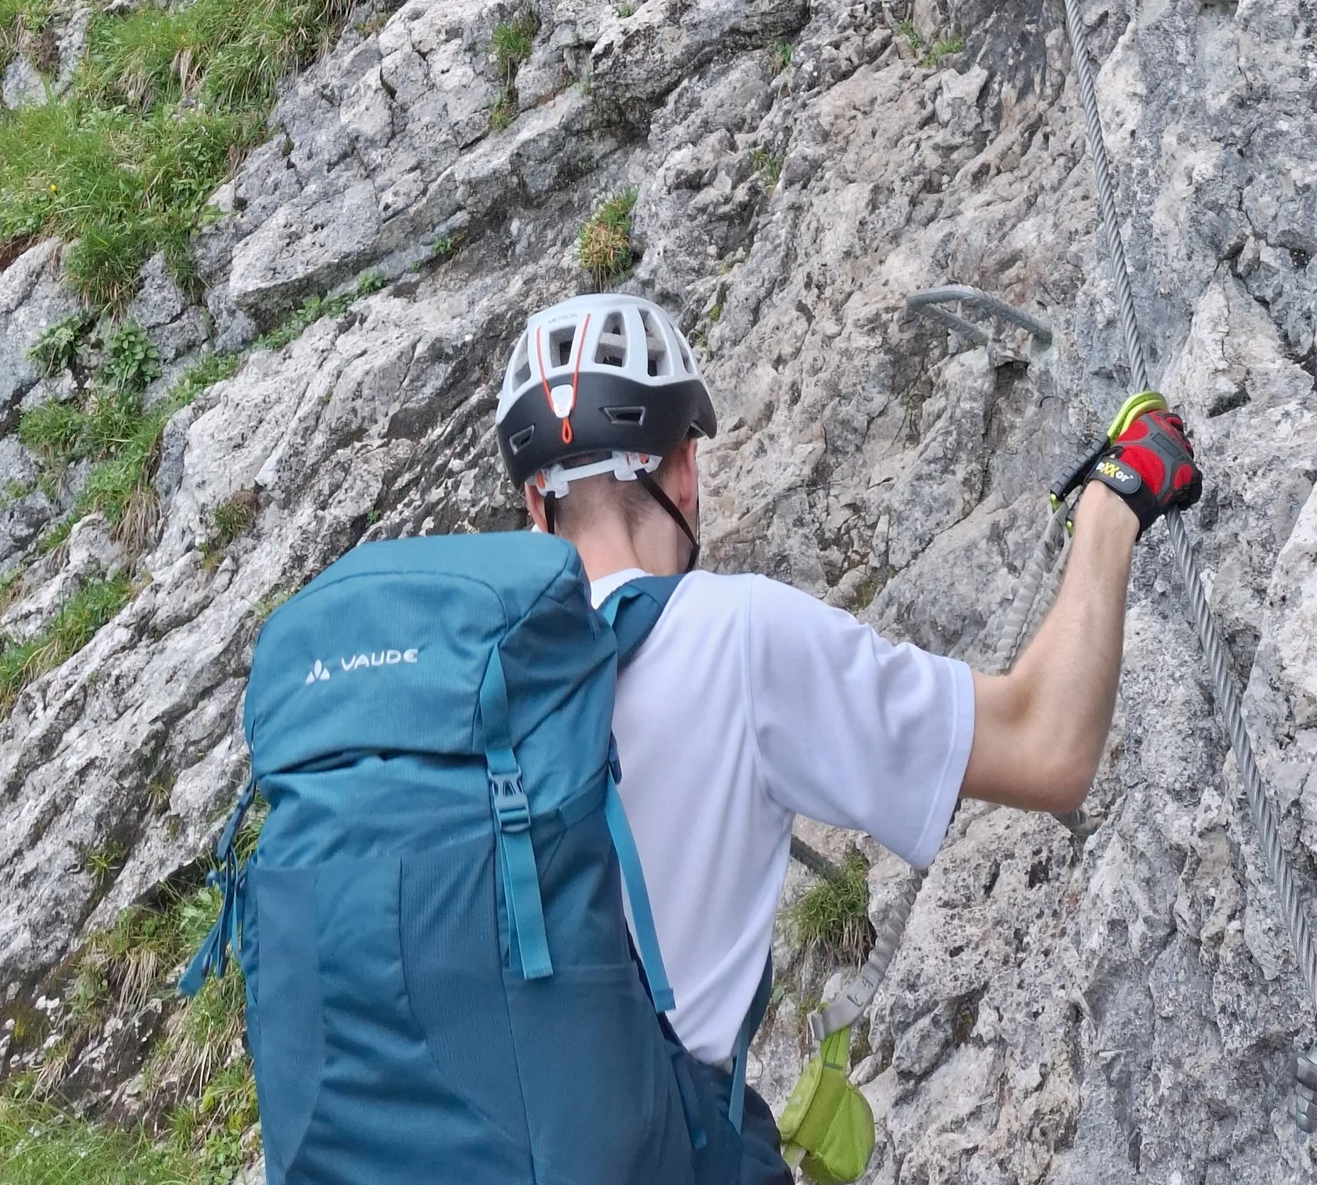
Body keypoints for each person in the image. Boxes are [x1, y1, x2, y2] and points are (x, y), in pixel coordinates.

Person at [497, 293, 1201, 1178]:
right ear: (682, 470)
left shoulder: (471, 685)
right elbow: (1048, 746)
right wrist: (1117, 496)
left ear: (534, 503)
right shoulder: (734, 636)